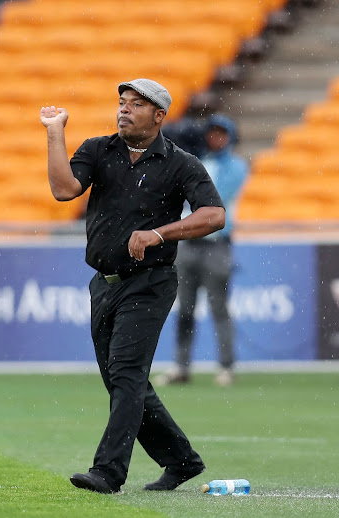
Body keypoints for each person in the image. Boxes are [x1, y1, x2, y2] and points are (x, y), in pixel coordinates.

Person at [39, 78, 226, 494]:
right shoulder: (97, 149)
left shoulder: (182, 163)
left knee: (126, 375)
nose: (124, 110)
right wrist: (55, 133)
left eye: (137, 105)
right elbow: (63, 189)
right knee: (125, 381)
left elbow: (214, 216)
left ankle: (108, 472)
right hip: (103, 284)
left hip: (150, 283)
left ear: (159, 116)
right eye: (122, 103)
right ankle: (181, 460)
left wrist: (158, 234)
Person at [155, 114, 249, 387]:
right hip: (188, 243)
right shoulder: (198, 161)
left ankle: (226, 366)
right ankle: (181, 366)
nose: (215, 138)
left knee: (218, 308)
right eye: (212, 133)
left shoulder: (234, 166)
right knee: (185, 308)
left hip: (216, 244)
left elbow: (212, 196)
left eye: (221, 133)